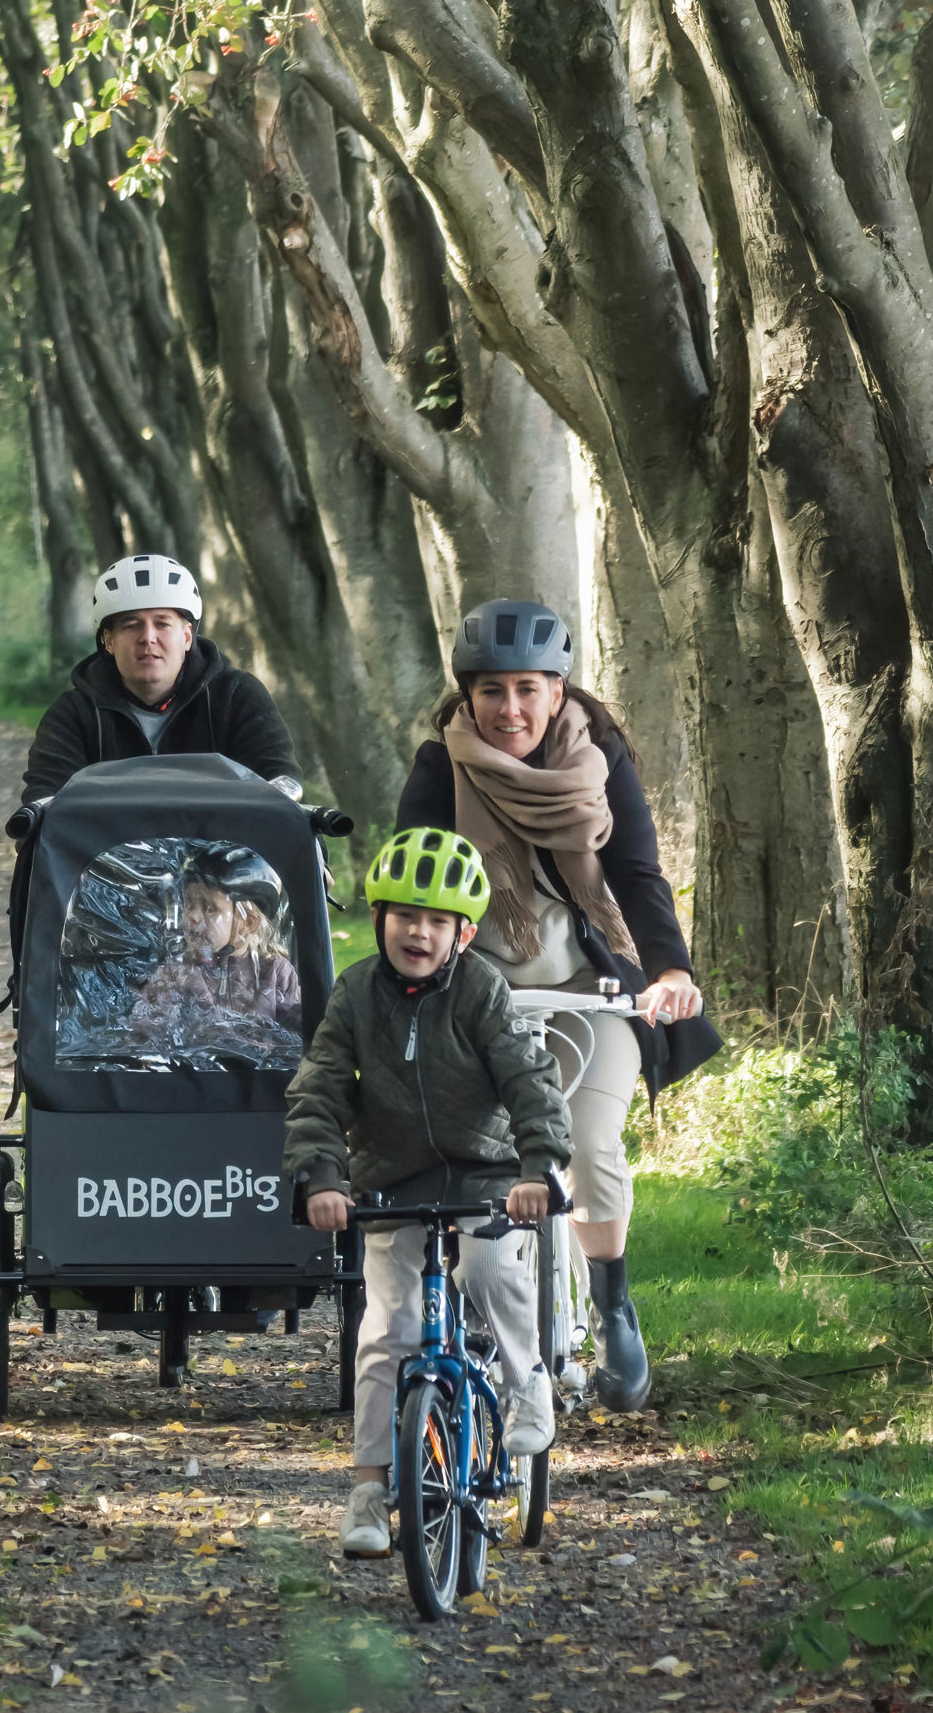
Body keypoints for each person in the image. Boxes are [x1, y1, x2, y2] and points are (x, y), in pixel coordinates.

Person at [394, 597, 720, 1412]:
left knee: (592, 1145)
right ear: (468, 695)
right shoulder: (440, 767)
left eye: (527, 689)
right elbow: (416, 885)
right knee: (478, 1154)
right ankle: (478, 1307)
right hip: (479, 993)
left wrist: (669, 970)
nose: (510, 709)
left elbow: (637, 875)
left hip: (589, 991)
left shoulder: (599, 759)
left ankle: (612, 1304)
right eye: (492, 691)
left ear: (557, 691)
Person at [282, 826, 572, 1562]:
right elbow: (318, 1090)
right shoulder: (355, 995)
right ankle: (368, 1490)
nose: (418, 932)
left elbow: (529, 1079)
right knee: (387, 1329)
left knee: (489, 1269)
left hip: (486, 1175)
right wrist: (323, 1178)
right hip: (393, 1180)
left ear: (463, 935)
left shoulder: (481, 990)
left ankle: (526, 1383)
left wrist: (537, 1168)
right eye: (405, 915)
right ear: (379, 918)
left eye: (437, 921)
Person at [19, 552, 300, 802]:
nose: (148, 638)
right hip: (110, 846)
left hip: (224, 844)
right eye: (132, 625)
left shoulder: (236, 696)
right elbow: (45, 794)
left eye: (162, 623)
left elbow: (279, 779)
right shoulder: (73, 714)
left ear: (187, 637)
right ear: (108, 641)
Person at [125, 858, 304, 1062]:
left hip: (256, 1076)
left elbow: (295, 1038)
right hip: (194, 1074)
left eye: (210, 908)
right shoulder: (177, 971)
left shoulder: (276, 971)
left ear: (248, 922)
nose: (191, 916)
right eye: (189, 905)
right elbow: (146, 1032)